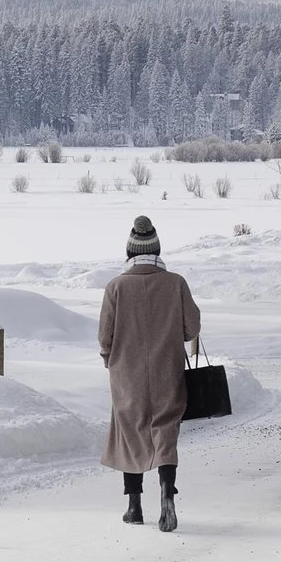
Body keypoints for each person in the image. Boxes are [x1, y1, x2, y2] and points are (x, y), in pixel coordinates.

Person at [98, 213, 201, 530]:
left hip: (127, 375)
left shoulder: (115, 287)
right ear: (156, 251)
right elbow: (191, 328)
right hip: (167, 371)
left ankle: (134, 506)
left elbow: (105, 337)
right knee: (164, 431)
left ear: (129, 251)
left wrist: (109, 359)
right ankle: (167, 494)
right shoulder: (176, 284)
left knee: (131, 433)